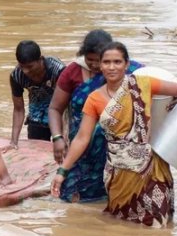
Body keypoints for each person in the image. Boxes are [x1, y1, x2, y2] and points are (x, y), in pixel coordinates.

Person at [51, 42, 177, 227]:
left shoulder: (143, 85)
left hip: (152, 169)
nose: (112, 67)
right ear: (100, 65)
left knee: (158, 223)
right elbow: (82, 139)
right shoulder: (94, 99)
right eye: (107, 62)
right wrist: (62, 171)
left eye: (117, 62)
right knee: (122, 222)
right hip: (119, 173)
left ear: (127, 64)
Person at [47, 30, 143, 202]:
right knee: (72, 196)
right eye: (88, 60)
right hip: (83, 147)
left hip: (120, 148)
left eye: (98, 61)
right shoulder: (72, 72)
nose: (94, 65)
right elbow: (55, 108)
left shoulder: (134, 72)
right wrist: (57, 137)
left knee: (120, 197)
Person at [9, 40, 65, 148]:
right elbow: (18, 109)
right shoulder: (16, 75)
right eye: (22, 66)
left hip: (60, 112)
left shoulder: (58, 70)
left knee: (63, 148)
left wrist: (62, 136)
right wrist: (13, 141)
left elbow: (65, 105)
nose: (25, 71)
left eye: (30, 67)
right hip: (37, 116)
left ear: (40, 59)